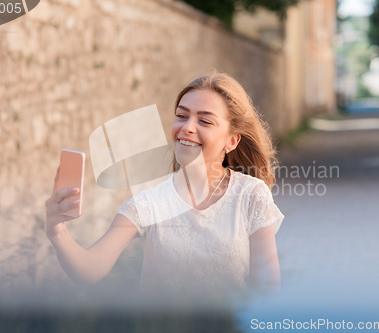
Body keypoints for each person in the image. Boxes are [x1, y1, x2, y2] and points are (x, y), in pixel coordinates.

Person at [45, 72, 284, 304]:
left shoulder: (251, 195)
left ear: (232, 141)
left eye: (204, 120)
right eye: (182, 116)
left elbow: (268, 291)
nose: (187, 127)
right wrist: (57, 231)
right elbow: (89, 269)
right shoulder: (148, 203)